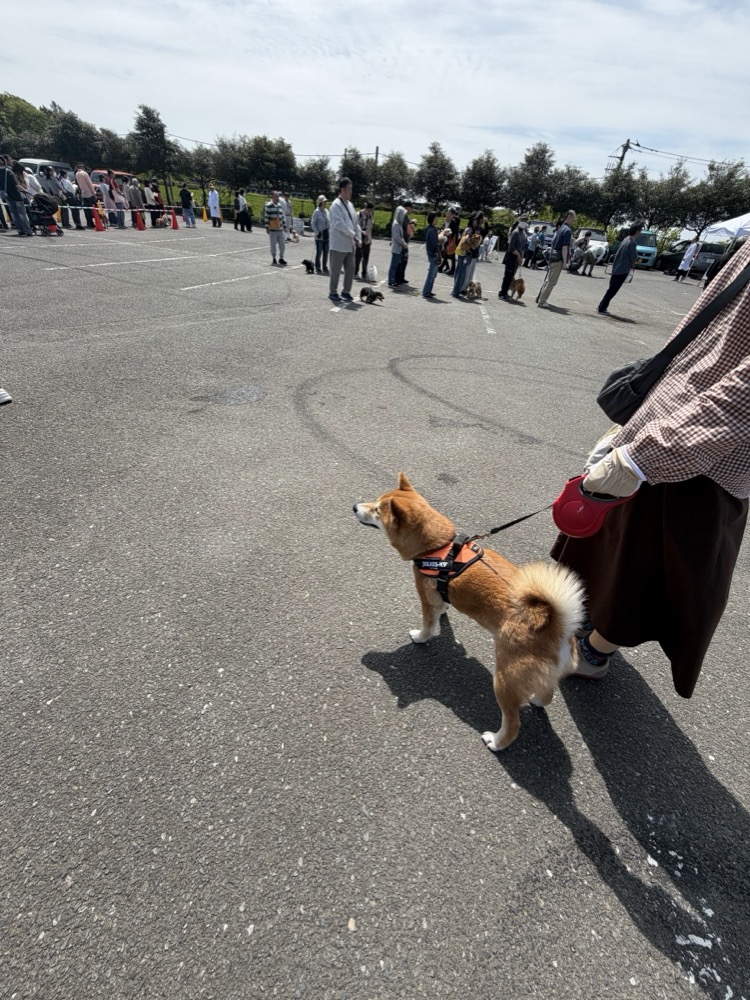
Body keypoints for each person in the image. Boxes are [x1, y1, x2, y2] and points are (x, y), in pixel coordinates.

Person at [552, 237, 750, 697]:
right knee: (614, 552)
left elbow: (743, 395)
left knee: (646, 572)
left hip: (706, 458)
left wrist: (644, 454)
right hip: (668, 424)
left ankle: (597, 652)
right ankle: (590, 632)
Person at [327, 176, 361, 303]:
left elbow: (354, 222)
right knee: (336, 270)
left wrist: (359, 234)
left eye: (351, 189)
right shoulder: (336, 205)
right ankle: (333, 292)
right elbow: (339, 225)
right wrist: (353, 235)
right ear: (342, 190)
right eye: (348, 189)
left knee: (351, 268)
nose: (350, 192)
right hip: (338, 244)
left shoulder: (350, 205)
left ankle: (346, 291)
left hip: (350, 244)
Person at [598, 223, 641, 315]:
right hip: (623, 269)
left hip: (616, 267)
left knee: (611, 288)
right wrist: (636, 260)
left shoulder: (625, 240)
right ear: (637, 232)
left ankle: (602, 306)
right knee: (613, 290)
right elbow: (633, 257)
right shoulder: (632, 243)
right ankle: (602, 307)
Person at [537, 210, 576, 308]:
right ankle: (542, 301)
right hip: (558, 258)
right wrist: (565, 262)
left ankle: (540, 298)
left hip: (552, 256)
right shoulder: (567, 230)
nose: (573, 221)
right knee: (552, 281)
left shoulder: (561, 228)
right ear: (570, 216)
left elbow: (554, 242)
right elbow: (564, 248)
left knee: (548, 279)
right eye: (573, 218)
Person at [451, 213, 482, 297]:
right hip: (464, 253)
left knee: (459, 272)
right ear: (472, 220)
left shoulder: (470, 229)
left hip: (462, 252)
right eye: (475, 220)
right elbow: (466, 239)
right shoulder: (470, 229)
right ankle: (456, 291)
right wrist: (472, 244)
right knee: (461, 273)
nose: (476, 221)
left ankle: (455, 290)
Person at [499, 215, 528, 300]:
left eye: (525, 220)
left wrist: (521, 256)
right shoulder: (515, 232)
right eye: (523, 220)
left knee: (511, 276)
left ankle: (506, 293)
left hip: (517, 258)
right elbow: (511, 247)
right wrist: (518, 255)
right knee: (507, 276)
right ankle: (502, 293)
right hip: (511, 256)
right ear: (519, 220)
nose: (524, 221)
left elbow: (523, 247)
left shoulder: (523, 233)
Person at [6, 161, 34, 236]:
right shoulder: (14, 175)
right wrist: (25, 191)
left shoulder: (7, 173)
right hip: (18, 196)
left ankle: (20, 229)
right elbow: (17, 185)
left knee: (14, 214)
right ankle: (28, 230)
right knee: (22, 214)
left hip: (8, 196)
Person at [388, 201, 412, 287]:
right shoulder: (395, 224)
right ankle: (391, 281)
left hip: (399, 248)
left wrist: (403, 243)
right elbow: (397, 237)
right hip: (396, 248)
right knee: (393, 265)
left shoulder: (399, 224)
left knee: (396, 264)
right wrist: (403, 243)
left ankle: (393, 279)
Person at [264, 190, 287, 266]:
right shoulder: (269, 206)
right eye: (276, 196)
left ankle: (281, 258)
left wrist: (284, 225)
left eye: (278, 196)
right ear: (272, 197)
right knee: (273, 244)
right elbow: (266, 217)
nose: (277, 198)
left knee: (282, 244)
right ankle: (274, 257)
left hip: (280, 228)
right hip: (273, 228)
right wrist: (267, 227)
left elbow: (282, 216)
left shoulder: (280, 206)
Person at [422, 211, 441, 299]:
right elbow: (435, 243)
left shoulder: (430, 228)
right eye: (436, 218)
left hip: (431, 253)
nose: (437, 219)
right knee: (431, 274)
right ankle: (426, 292)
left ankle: (428, 291)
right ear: (432, 219)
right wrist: (441, 244)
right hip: (433, 254)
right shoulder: (432, 230)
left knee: (433, 274)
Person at [311, 194, 330, 274]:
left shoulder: (326, 211)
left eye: (325, 202)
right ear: (321, 202)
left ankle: (324, 267)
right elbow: (313, 223)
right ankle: (318, 267)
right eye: (324, 202)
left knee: (326, 252)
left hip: (326, 233)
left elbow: (329, 222)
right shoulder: (317, 212)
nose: (325, 203)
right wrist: (317, 232)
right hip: (319, 234)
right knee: (319, 252)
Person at [355, 201, 374, 279]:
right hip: (359, 236)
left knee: (366, 256)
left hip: (367, 237)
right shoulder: (358, 214)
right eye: (369, 210)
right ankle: (355, 272)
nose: (369, 212)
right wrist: (361, 233)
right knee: (358, 256)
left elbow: (370, 228)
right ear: (365, 208)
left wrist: (370, 239)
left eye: (370, 211)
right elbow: (356, 227)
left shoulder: (370, 216)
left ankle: (364, 273)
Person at [439, 208, 460, 275]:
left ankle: (451, 269)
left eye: (449, 213)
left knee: (451, 255)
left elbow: (453, 232)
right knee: (447, 254)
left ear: (452, 215)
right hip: (448, 240)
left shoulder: (453, 222)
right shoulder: (448, 221)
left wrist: (446, 233)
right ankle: (447, 267)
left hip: (451, 241)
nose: (447, 214)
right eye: (447, 213)